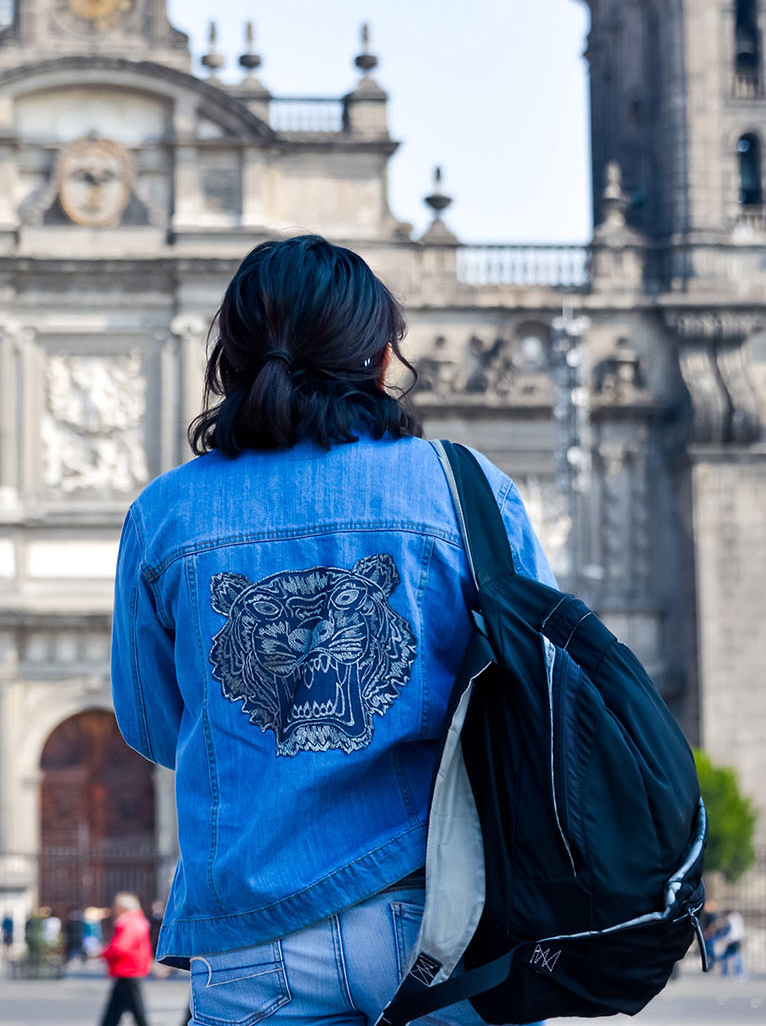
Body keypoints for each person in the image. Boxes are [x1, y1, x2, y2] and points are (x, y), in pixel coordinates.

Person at [109, 236, 555, 1025]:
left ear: (229, 362)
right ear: (381, 358)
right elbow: (547, 695)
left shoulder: (164, 514)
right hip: (448, 917)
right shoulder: (467, 490)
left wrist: (263, 742)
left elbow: (154, 724)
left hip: (254, 930)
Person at [98, 894, 152, 1026]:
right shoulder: (137, 920)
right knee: (114, 1011)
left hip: (127, 969)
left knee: (137, 1012)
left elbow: (121, 947)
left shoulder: (128, 922)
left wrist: (103, 952)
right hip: (130, 969)